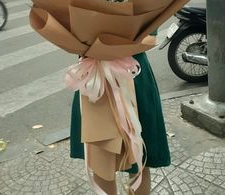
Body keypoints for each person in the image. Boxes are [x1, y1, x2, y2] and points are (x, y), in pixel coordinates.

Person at [70, 40, 171, 194]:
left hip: (128, 73)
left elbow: (150, 37)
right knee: (101, 158)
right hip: (96, 77)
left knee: (139, 157)